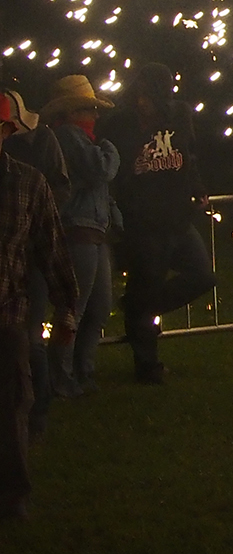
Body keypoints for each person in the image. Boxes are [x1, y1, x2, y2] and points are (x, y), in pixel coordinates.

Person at [100, 62, 214, 383]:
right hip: (144, 222)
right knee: (146, 282)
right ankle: (147, 365)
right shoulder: (122, 123)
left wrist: (197, 186)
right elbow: (116, 166)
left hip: (177, 217)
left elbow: (187, 156)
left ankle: (137, 307)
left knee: (201, 275)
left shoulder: (178, 115)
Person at [0, 90, 77, 520]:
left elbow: (52, 248)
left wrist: (66, 309)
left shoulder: (28, 184)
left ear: (8, 132)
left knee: (11, 405)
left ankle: (12, 496)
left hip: (6, 313)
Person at [40, 76, 120, 399]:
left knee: (97, 306)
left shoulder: (80, 139)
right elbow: (100, 170)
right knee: (74, 308)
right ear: (74, 111)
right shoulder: (69, 137)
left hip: (92, 230)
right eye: (90, 109)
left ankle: (80, 371)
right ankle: (62, 377)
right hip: (78, 230)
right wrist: (111, 150)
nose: (96, 116)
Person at [4, 90, 68, 438]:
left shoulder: (41, 147)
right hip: (18, 257)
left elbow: (57, 189)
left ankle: (35, 413)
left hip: (30, 256)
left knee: (29, 339)